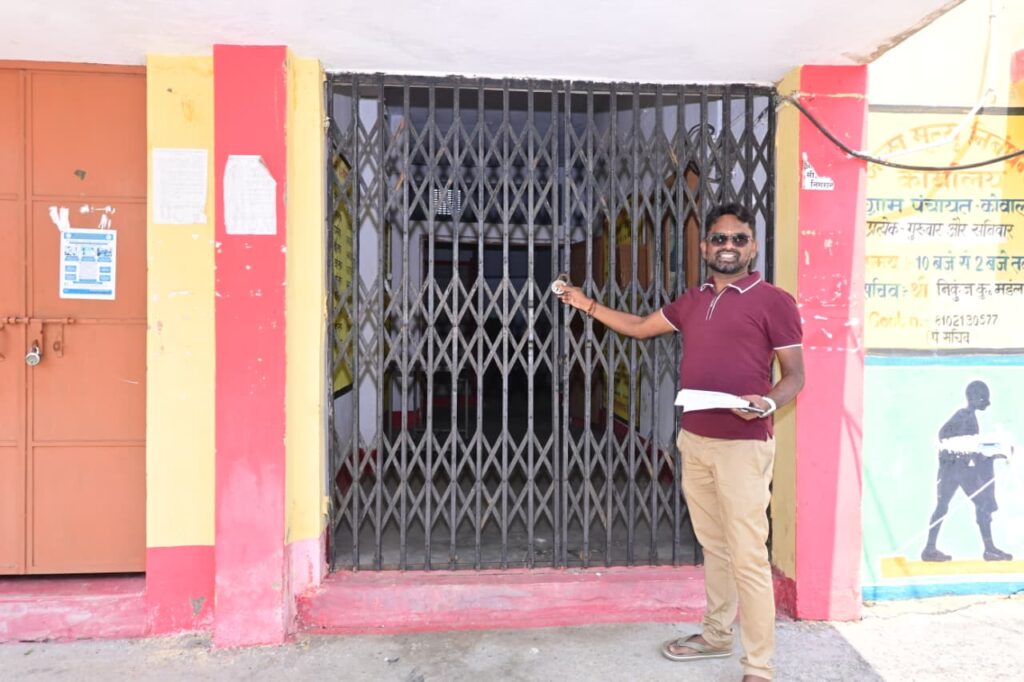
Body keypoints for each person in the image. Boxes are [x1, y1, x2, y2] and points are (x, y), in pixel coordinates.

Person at [558, 203, 804, 682]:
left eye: (738, 239)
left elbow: (794, 375)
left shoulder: (774, 301)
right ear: (705, 246)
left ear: (752, 247)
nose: (728, 246)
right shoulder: (693, 300)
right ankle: (716, 635)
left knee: (749, 555)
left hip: (743, 445)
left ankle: (759, 666)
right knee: (715, 546)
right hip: (695, 440)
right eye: (719, 239)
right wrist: (586, 304)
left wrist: (767, 403)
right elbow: (639, 327)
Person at [921, 380, 1012, 562]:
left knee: (943, 506)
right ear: (974, 398)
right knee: (982, 505)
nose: (987, 403)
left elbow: (970, 447)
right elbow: (947, 438)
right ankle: (989, 550)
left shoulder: (966, 416)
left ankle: (930, 549)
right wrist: (976, 452)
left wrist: (990, 453)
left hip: (952, 470)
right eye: (983, 398)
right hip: (957, 470)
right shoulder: (964, 415)